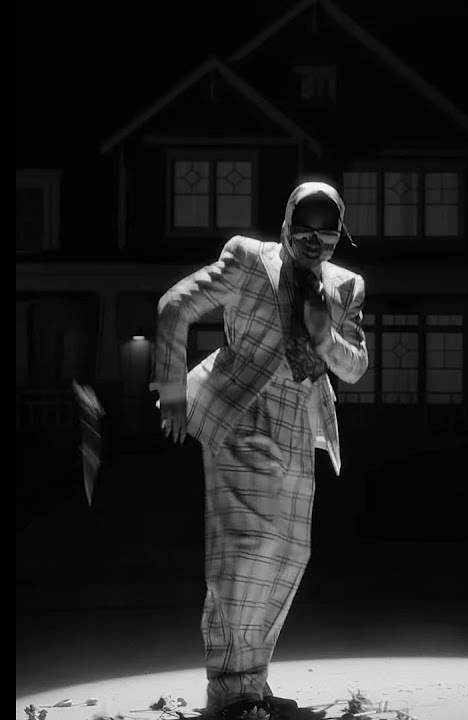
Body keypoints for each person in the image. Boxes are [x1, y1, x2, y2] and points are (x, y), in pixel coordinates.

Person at [150, 182, 369, 719]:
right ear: (286, 223)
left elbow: (355, 367)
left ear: (339, 232)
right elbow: (175, 305)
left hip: (299, 418)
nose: (314, 241)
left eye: (327, 232)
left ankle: (251, 680)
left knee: (291, 553)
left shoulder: (345, 286)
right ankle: (230, 688)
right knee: (247, 550)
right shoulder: (249, 260)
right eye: (303, 229)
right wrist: (172, 390)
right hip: (241, 411)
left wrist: (325, 337)